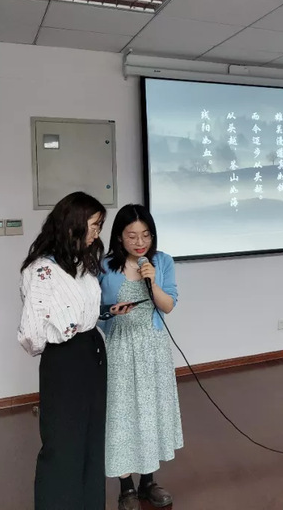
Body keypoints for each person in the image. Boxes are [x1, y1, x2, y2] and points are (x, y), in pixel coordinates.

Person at [18, 191, 130, 510]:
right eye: (94, 226)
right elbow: (32, 334)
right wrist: (67, 333)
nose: (97, 233)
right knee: (63, 443)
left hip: (92, 351)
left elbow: (81, 312)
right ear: (72, 224)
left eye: (99, 226)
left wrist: (103, 313)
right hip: (65, 359)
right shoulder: (41, 270)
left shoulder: (81, 263)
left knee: (92, 441)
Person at [99, 204, 182, 510]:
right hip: (120, 347)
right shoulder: (104, 266)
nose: (140, 242)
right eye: (132, 235)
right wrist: (111, 312)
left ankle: (148, 482)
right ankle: (126, 488)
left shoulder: (162, 262)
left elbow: (168, 305)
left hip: (153, 349)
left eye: (146, 234)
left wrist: (153, 282)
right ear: (119, 237)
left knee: (149, 412)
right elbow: (92, 309)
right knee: (122, 414)